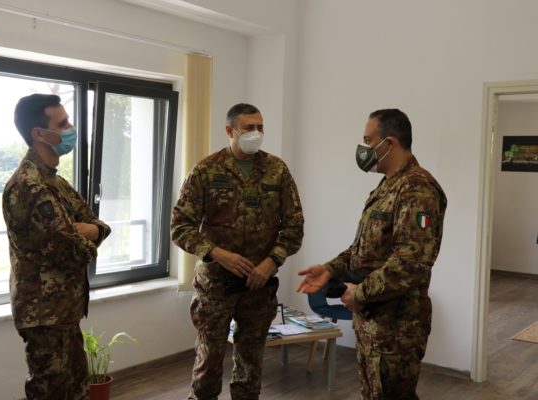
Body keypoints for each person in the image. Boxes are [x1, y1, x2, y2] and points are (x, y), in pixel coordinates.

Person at [297, 109, 447, 400]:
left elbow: (411, 262)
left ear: (389, 143)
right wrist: (330, 269)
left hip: (396, 326)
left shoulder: (417, 188)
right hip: (372, 320)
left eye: (368, 141)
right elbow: (363, 249)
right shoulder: (388, 185)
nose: (363, 149)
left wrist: (361, 292)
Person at [171, 103, 304, 399]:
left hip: (258, 284)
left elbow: (294, 226)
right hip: (216, 286)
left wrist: (272, 261)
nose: (256, 133)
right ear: (230, 131)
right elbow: (180, 226)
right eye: (249, 128)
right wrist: (217, 253)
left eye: (260, 127)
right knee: (208, 364)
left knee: (250, 365)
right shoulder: (206, 170)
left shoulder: (276, 170)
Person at [2, 94, 111, 400]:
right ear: (39, 133)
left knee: (76, 390)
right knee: (51, 392)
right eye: (62, 124)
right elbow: (72, 252)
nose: (71, 128)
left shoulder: (54, 181)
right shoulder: (29, 185)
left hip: (62, 310)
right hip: (44, 315)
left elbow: (95, 223)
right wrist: (88, 239)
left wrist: (92, 231)